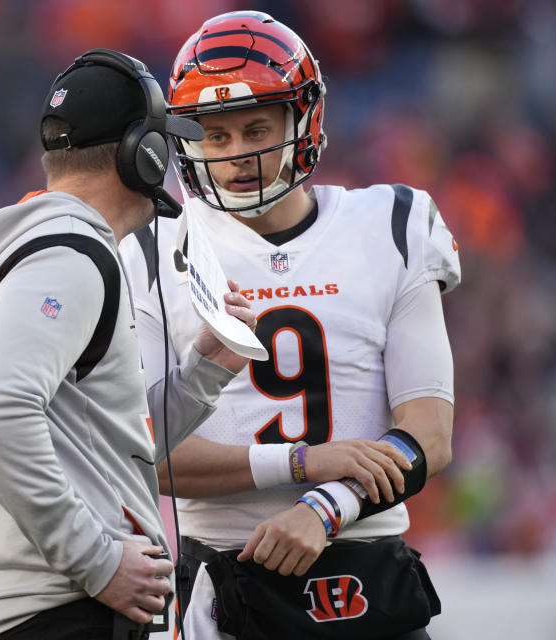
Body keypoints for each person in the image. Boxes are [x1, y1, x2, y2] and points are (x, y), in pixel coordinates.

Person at [119, 11, 461, 640]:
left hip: (368, 573)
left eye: (255, 129)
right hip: (226, 579)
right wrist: (302, 464)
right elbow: (142, 452)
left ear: (302, 120)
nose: (237, 154)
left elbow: (430, 433)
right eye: (215, 137)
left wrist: (328, 506)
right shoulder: (149, 250)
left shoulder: (391, 223)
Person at [0, 48, 256, 640]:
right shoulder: (70, 254)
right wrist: (97, 562)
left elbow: (102, 446)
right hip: (60, 612)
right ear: (143, 154)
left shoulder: (27, 255)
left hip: (33, 612)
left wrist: (203, 371)